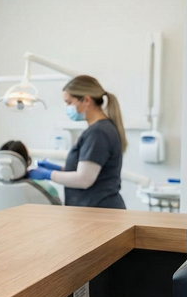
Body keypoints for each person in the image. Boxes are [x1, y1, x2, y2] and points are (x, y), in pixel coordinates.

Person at [27, 75, 127, 209]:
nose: (66, 107)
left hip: (99, 211)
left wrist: (48, 174)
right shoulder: (98, 129)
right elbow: (90, 172)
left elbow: (84, 179)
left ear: (86, 100)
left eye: (69, 102)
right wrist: (59, 169)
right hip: (93, 209)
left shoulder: (98, 133)